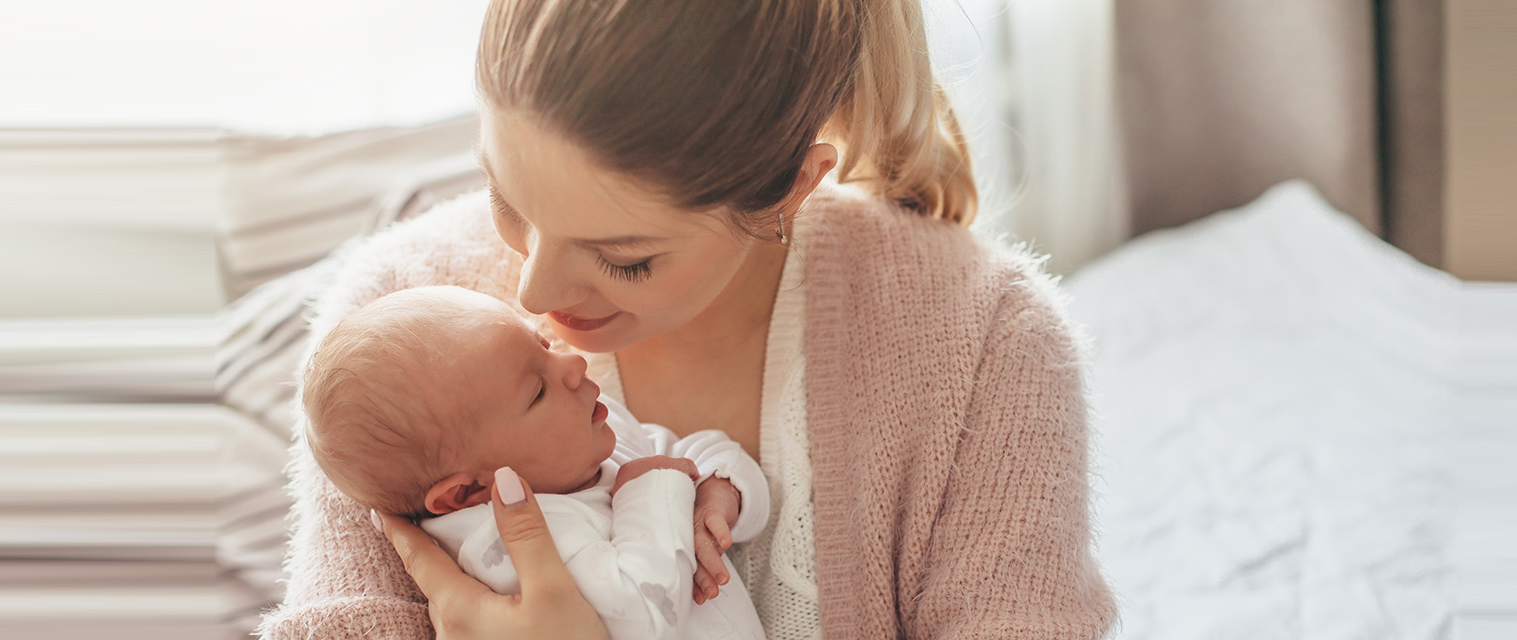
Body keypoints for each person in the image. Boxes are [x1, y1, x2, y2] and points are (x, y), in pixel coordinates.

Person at [258, 0, 1117, 638]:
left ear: (792, 184)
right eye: (506, 199)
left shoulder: (987, 348)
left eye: (624, 257)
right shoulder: (395, 325)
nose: (531, 290)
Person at [298, 286, 771, 639]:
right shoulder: (506, 547)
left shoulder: (590, 443)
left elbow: (691, 451)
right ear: (467, 493)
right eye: (538, 390)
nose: (573, 365)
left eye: (543, 345)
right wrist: (650, 489)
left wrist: (720, 489)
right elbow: (644, 615)